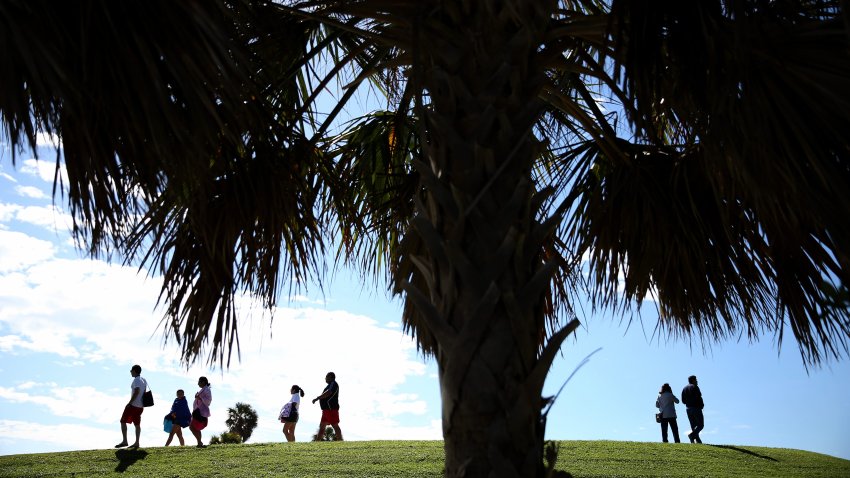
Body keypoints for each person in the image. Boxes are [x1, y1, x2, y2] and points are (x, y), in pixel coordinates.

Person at [115, 364, 148, 449]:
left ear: (134, 371)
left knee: (123, 421)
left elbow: (137, 391)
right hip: (141, 406)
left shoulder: (136, 380)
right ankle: (137, 442)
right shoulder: (144, 380)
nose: (130, 372)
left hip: (133, 405)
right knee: (137, 424)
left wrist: (130, 403)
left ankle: (125, 441)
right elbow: (143, 391)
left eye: (131, 370)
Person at [311, 372, 342, 441]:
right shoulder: (330, 384)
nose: (325, 378)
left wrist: (317, 398)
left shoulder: (333, 383)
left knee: (335, 425)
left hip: (330, 409)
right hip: (326, 410)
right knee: (322, 427)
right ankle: (317, 443)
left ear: (331, 377)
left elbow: (329, 392)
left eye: (326, 377)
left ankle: (340, 442)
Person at [189, 376, 212, 448]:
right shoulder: (203, 389)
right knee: (195, 427)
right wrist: (197, 397)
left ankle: (199, 442)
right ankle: (199, 443)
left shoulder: (207, 389)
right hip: (198, 411)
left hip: (201, 412)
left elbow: (209, 400)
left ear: (203, 382)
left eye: (199, 382)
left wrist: (199, 397)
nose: (198, 383)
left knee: (192, 427)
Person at [681, 375, 705, 444]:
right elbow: (699, 397)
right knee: (700, 425)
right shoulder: (695, 387)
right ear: (693, 380)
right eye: (696, 380)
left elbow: (683, 401)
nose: (697, 381)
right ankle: (691, 436)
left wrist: (688, 402)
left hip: (688, 408)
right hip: (696, 408)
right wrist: (701, 405)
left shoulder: (684, 388)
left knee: (693, 426)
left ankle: (697, 441)